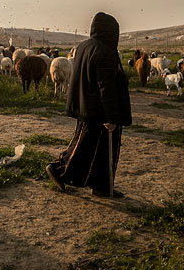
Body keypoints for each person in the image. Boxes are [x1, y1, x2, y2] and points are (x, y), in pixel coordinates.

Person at [45, 12, 132, 198]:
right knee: (86, 148)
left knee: (96, 149)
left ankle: (101, 186)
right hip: (99, 111)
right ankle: (58, 169)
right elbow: (106, 87)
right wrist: (112, 117)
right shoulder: (104, 52)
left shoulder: (85, 46)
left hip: (87, 106)